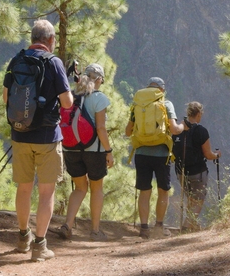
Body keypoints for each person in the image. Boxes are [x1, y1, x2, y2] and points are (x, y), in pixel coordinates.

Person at [3, 19, 73, 262]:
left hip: (20, 135)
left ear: (33, 39)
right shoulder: (54, 63)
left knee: (24, 188)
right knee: (46, 192)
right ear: (51, 40)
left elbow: (5, 97)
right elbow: (67, 103)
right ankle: (40, 247)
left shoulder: (17, 60)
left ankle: (23, 238)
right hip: (47, 137)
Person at [56, 63, 115, 241]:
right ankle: (95, 231)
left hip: (71, 148)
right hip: (94, 150)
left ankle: (67, 225)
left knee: (80, 188)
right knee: (96, 188)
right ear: (98, 80)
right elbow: (101, 128)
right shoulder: (99, 98)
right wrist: (109, 151)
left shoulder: (70, 97)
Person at [125, 77, 185, 239]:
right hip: (162, 155)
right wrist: (182, 127)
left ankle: (144, 228)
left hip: (141, 154)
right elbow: (174, 129)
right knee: (163, 191)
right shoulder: (166, 103)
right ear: (162, 89)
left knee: (145, 192)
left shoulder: (138, 104)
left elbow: (128, 131)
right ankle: (159, 226)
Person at [173, 102, 220, 231]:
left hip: (180, 171)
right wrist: (217, 155)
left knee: (191, 199)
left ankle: (193, 225)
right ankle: (186, 227)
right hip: (197, 172)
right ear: (198, 114)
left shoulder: (177, 129)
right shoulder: (201, 131)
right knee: (198, 200)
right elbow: (208, 154)